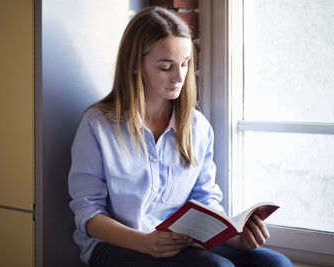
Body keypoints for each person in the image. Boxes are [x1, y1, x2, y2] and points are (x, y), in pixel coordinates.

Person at [68, 6, 293, 267]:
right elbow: (88, 213)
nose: (179, 77)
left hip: (184, 243)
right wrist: (144, 242)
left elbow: (205, 199)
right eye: (166, 67)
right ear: (134, 66)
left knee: (275, 264)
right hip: (115, 246)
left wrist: (234, 237)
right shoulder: (97, 126)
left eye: (185, 64)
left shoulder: (197, 127)